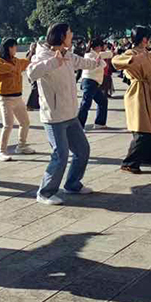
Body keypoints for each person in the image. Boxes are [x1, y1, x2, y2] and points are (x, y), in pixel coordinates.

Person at [26, 23, 103, 204]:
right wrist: (53, 62)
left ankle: (72, 184)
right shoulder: (42, 55)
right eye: (69, 33)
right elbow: (31, 73)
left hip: (70, 114)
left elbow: (83, 62)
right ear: (61, 36)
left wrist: (98, 62)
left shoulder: (67, 54)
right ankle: (45, 193)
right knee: (60, 155)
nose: (72, 35)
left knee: (82, 150)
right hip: (54, 116)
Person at [113, 26, 151, 174]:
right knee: (143, 130)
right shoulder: (131, 53)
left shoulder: (148, 53)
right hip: (138, 93)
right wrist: (133, 59)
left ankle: (148, 156)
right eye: (148, 38)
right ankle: (129, 163)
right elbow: (116, 61)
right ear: (144, 39)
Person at [0, 39, 36, 162]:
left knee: (25, 122)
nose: (16, 49)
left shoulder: (16, 61)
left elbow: (27, 62)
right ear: (9, 48)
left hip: (18, 97)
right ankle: (2, 151)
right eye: (15, 47)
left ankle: (21, 146)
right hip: (6, 98)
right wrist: (12, 67)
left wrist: (32, 52)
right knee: (8, 125)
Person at [77, 38, 113, 131]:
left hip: (94, 82)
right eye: (101, 46)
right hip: (89, 81)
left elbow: (109, 54)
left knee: (102, 101)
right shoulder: (89, 55)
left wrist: (104, 54)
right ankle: (79, 126)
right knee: (86, 104)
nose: (102, 48)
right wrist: (100, 58)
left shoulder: (97, 54)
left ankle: (99, 123)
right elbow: (102, 64)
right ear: (98, 47)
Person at [25, 42, 40, 111]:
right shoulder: (30, 54)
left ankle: (36, 105)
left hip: (36, 73)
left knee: (37, 89)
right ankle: (29, 105)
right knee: (35, 88)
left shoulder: (37, 54)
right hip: (31, 73)